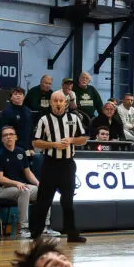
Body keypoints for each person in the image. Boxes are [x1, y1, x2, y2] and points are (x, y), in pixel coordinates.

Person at [31, 90, 88, 242]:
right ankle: (35, 233)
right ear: (50, 103)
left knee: (68, 201)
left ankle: (72, 234)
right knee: (44, 200)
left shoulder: (74, 118)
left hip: (67, 165)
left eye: (60, 100)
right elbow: (35, 142)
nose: (57, 103)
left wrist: (71, 140)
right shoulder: (44, 119)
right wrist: (54, 144)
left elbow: (83, 139)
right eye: (55, 100)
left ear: (65, 102)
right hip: (50, 164)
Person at [0, 125, 39, 239]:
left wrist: (38, 183)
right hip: (3, 189)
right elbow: (0, 178)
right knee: (24, 191)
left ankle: (44, 226)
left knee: (43, 191)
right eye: (5, 135)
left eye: (11, 134)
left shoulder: (20, 152)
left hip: (20, 187)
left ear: (16, 137)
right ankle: (23, 228)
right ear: (2, 139)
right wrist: (16, 183)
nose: (8, 137)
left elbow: (28, 173)